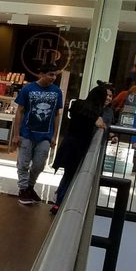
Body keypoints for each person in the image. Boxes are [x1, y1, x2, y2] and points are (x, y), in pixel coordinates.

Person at [50, 83, 112, 214]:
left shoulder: (78, 105)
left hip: (68, 142)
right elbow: (101, 125)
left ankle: (58, 201)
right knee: (71, 175)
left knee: (67, 174)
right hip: (80, 147)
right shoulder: (96, 113)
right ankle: (61, 202)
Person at [11, 63, 63, 205]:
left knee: (39, 165)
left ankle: (30, 186)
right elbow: (20, 111)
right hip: (26, 133)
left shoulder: (57, 92)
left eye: (55, 75)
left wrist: (54, 136)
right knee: (23, 163)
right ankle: (23, 189)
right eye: (50, 74)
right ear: (41, 74)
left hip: (45, 135)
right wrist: (16, 134)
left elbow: (57, 114)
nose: (53, 77)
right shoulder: (28, 89)